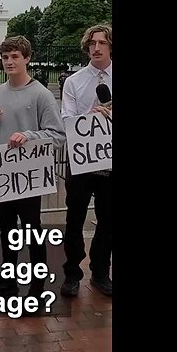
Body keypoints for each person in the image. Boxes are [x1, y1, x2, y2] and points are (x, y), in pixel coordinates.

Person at [0, 36, 65, 298]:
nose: (9, 62)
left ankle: (37, 288)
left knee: (32, 230)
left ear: (27, 58)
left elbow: (57, 135)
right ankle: (8, 281)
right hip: (1, 174)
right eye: (5, 57)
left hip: (28, 176)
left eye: (15, 56)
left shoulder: (41, 94)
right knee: (6, 229)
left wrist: (28, 135)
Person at [59, 24, 114, 297]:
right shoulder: (74, 81)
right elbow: (67, 120)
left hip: (111, 165)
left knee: (108, 221)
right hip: (81, 163)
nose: (96, 47)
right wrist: (90, 117)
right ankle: (72, 274)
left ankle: (101, 272)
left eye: (102, 42)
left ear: (110, 46)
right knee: (74, 219)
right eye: (92, 43)